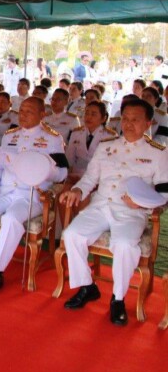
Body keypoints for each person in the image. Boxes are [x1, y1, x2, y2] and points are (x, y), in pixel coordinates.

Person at [60, 98, 168, 326]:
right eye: (125, 119)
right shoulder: (106, 145)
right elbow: (90, 178)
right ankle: (87, 287)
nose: (128, 124)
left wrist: (143, 204)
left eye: (135, 120)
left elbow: (164, 193)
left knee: (125, 245)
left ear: (148, 123)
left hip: (131, 212)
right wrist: (78, 190)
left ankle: (117, 299)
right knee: (71, 235)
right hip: (100, 206)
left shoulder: (158, 152)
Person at [0, 97, 68, 295]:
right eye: (22, 111)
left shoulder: (52, 139)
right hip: (4, 190)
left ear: (42, 115)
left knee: (10, 219)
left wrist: (45, 169)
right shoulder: (10, 136)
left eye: (29, 111)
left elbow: (63, 173)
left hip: (30, 195)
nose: (23, 115)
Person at [66, 101, 116, 182]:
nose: (88, 117)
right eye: (87, 113)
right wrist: (68, 175)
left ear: (103, 118)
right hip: (75, 176)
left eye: (93, 114)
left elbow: (110, 163)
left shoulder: (110, 137)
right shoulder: (76, 133)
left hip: (97, 179)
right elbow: (70, 158)